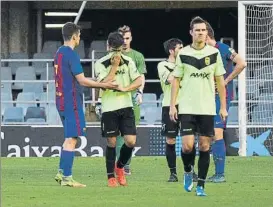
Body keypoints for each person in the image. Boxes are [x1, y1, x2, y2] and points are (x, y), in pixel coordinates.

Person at [54, 22, 118, 187]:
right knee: (72, 139)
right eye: (79, 35)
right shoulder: (72, 54)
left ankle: (61, 173)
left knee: (68, 138)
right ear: (75, 36)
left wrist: (98, 81)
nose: (79, 38)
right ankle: (67, 177)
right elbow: (81, 80)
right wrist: (104, 85)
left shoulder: (58, 53)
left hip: (60, 100)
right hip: (71, 101)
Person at [169, 16, 228, 196]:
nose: (201, 33)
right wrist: (173, 106)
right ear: (191, 33)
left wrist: (223, 106)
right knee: (187, 146)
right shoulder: (184, 54)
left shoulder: (214, 53)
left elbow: (220, 81)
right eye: (197, 30)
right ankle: (188, 171)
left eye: (203, 30)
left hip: (207, 108)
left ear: (206, 32)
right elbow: (176, 81)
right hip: (187, 106)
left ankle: (201, 185)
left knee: (204, 146)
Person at [95, 25, 146, 175]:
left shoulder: (129, 61)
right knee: (111, 142)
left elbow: (138, 81)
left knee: (130, 141)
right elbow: (103, 85)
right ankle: (111, 176)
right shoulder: (100, 63)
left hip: (126, 105)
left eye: (118, 50)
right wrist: (114, 66)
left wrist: (126, 88)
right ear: (108, 46)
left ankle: (120, 166)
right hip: (109, 107)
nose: (117, 53)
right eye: (114, 49)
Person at [205, 21, 247, 183]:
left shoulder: (221, 48)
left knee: (216, 133)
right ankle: (207, 172)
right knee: (205, 136)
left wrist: (226, 81)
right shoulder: (203, 52)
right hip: (204, 97)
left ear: (207, 34)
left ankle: (220, 174)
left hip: (219, 97)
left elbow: (241, 63)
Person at [157, 38, 183, 182]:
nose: (183, 50)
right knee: (171, 139)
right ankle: (173, 173)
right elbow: (172, 80)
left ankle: (190, 171)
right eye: (180, 48)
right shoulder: (163, 65)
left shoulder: (186, 65)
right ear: (172, 51)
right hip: (169, 105)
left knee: (188, 140)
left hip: (186, 106)